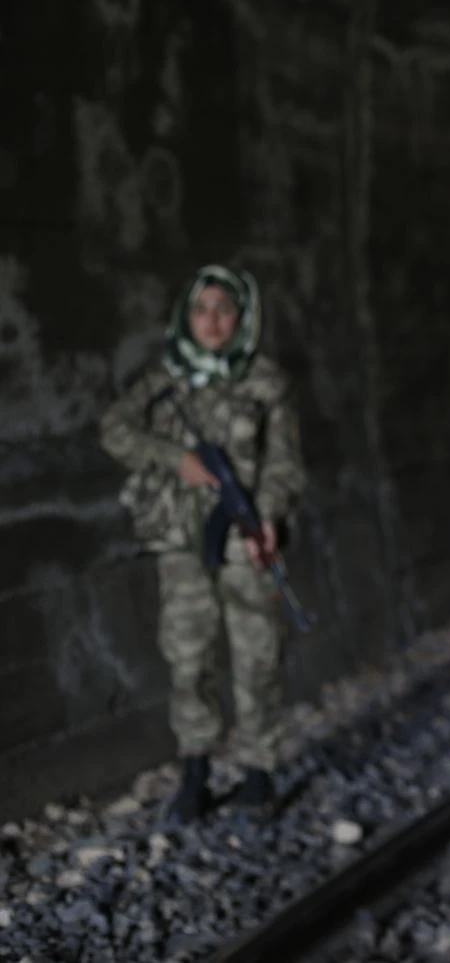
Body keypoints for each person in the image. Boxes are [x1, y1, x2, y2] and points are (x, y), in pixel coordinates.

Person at [100, 265, 305, 824]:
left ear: (240, 318)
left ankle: (259, 773)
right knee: (187, 657)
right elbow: (115, 429)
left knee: (255, 653)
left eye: (223, 310)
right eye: (201, 309)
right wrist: (176, 461)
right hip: (181, 539)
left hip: (243, 538)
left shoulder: (265, 382)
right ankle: (196, 772)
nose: (211, 322)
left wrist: (267, 517)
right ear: (185, 317)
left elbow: (284, 463)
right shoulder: (164, 376)